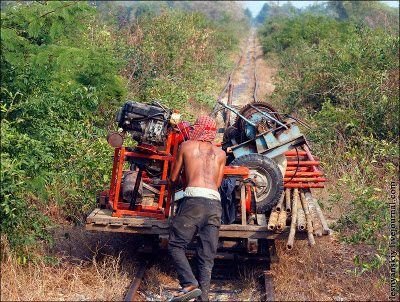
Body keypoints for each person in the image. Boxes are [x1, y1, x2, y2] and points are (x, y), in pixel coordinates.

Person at [167, 116, 226, 301]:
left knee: (176, 245)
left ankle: (188, 283)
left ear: (197, 128)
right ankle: (204, 298)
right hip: (215, 204)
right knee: (207, 256)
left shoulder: (186, 146)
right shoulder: (221, 153)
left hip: (194, 202)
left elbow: (174, 178)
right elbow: (217, 183)